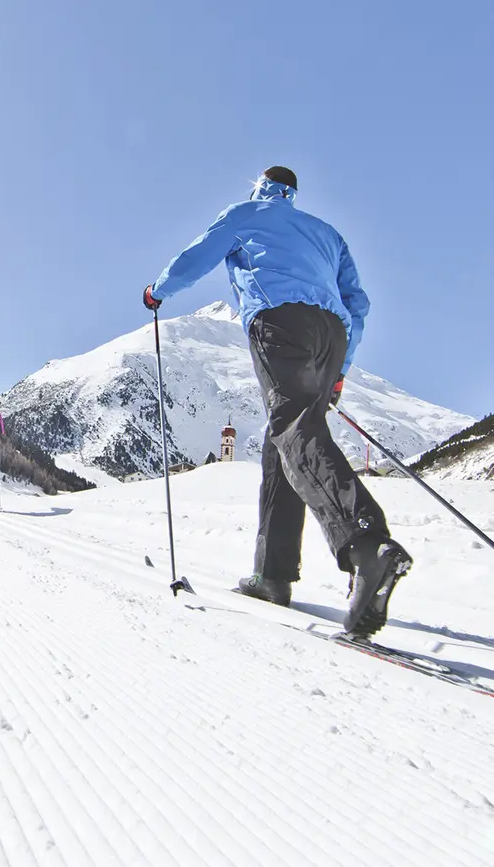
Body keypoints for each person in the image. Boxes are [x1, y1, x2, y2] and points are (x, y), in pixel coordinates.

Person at [143, 165, 412, 637]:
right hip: (332, 335)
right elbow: (358, 304)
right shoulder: (328, 234)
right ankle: (273, 574)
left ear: (261, 186)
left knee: (292, 430)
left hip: (281, 320)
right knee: (281, 442)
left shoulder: (247, 214)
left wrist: (157, 292)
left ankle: (366, 543)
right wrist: (340, 371)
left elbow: (197, 256)